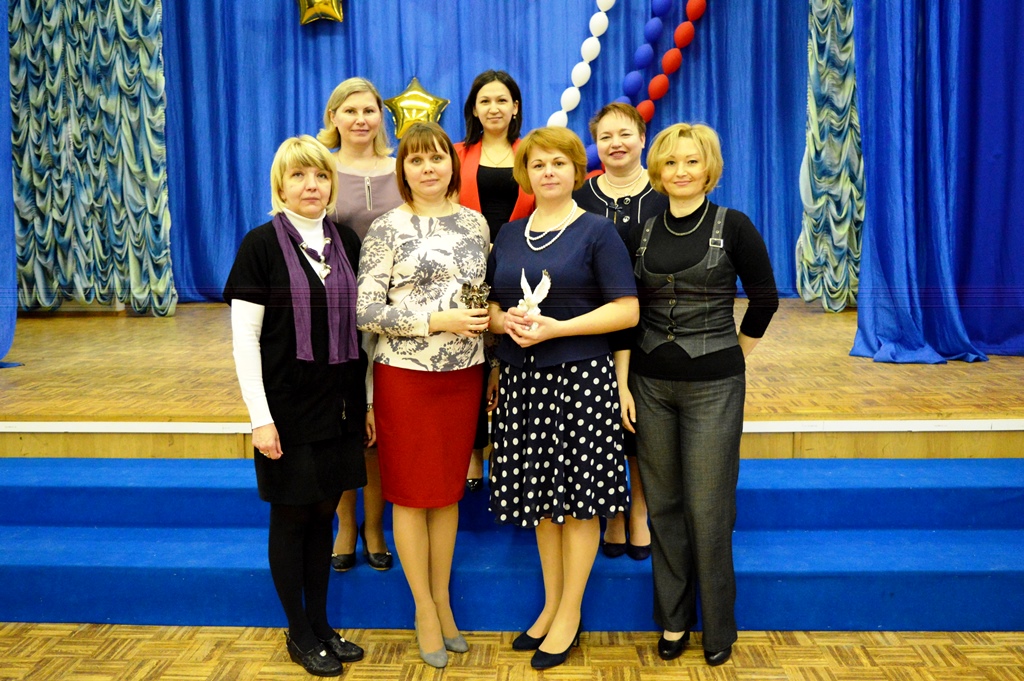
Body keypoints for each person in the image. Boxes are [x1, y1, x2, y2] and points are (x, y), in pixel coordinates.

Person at [622, 123, 778, 666]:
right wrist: (624, 383)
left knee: (709, 510)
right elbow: (627, 310)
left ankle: (718, 627)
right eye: (670, 162)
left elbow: (764, 299)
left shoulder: (734, 226)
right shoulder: (640, 230)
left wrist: (734, 354)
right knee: (663, 506)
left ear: (709, 168)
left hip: (714, 387)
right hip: (649, 386)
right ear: (657, 171)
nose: (681, 171)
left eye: (692, 161)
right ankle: (673, 621)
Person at [485, 126, 639, 670]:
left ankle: (570, 612)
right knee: (542, 506)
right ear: (525, 174)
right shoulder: (509, 234)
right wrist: (506, 323)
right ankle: (550, 605)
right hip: (523, 384)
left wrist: (558, 329)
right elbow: (493, 310)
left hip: (580, 381)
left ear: (577, 170)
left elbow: (627, 310)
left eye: (558, 163)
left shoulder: (597, 231)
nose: (548, 172)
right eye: (538, 164)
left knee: (578, 504)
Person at [224, 135, 369, 677]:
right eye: (299, 176)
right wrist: (260, 419)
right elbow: (244, 341)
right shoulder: (259, 245)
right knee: (291, 518)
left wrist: (366, 402)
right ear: (280, 186)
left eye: (321, 175)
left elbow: (361, 333)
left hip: (339, 404)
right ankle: (299, 632)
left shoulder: (346, 241)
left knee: (324, 514)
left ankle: (322, 624)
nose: (312, 185)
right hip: (285, 408)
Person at [356, 121, 490, 669]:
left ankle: (444, 601)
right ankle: (424, 609)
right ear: (403, 170)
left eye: (437, 157)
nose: (428, 167)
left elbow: (481, 298)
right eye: (416, 160)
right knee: (412, 495)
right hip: (405, 376)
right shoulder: (385, 228)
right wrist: (436, 320)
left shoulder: (475, 223)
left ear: (452, 165)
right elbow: (366, 311)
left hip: (464, 375)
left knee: (448, 493)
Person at [574, 102, 669, 561]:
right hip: (592, 325)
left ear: (642, 139)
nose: (615, 144)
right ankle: (611, 511)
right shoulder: (581, 196)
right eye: (605, 136)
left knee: (641, 426)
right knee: (603, 423)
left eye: (625, 134)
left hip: (655, 326)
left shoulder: (665, 192)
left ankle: (639, 510)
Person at [317, 76, 401, 573]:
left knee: (380, 426)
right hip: (337, 314)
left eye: (369, 110)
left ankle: (375, 527)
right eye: (350, 111)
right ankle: (346, 524)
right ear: (334, 117)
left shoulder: (399, 170)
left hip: (394, 316)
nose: (360, 119)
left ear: (380, 117)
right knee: (345, 422)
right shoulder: (320, 168)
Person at [454, 70, 535, 492]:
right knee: (472, 359)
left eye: (502, 100)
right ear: (474, 109)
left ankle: (510, 452)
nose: (494, 108)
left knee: (511, 357)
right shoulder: (456, 154)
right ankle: (472, 453)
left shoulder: (533, 153)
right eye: (485, 101)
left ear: (515, 107)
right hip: (467, 270)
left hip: (522, 267)